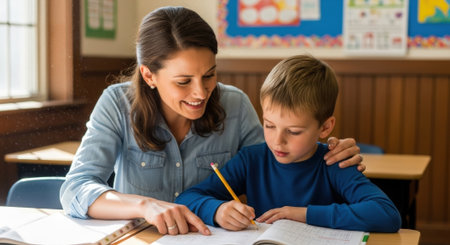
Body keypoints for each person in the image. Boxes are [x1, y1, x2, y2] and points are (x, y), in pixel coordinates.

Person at [60, 6, 363, 236]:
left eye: (209, 75)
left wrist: (326, 151)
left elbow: (275, 166)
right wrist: (144, 205)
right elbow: (75, 189)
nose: (200, 93)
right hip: (142, 238)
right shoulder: (116, 104)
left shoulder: (235, 104)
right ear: (149, 75)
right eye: (183, 81)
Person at [175, 55, 401, 232]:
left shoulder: (333, 163)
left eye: (293, 131)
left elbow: (387, 214)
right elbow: (187, 198)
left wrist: (303, 214)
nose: (277, 141)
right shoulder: (251, 159)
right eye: (269, 125)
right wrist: (217, 210)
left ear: (325, 127)